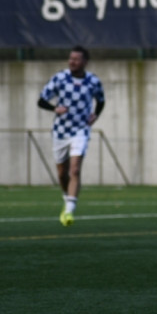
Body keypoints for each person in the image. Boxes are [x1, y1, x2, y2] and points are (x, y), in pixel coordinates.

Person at [37, 45, 105, 227]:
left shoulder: (93, 81)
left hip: (80, 131)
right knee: (61, 173)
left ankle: (69, 210)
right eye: (70, 58)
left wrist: (95, 115)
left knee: (75, 169)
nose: (72, 62)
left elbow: (101, 100)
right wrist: (54, 108)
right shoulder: (60, 78)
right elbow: (41, 100)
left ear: (85, 62)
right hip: (60, 131)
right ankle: (67, 197)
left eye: (76, 59)